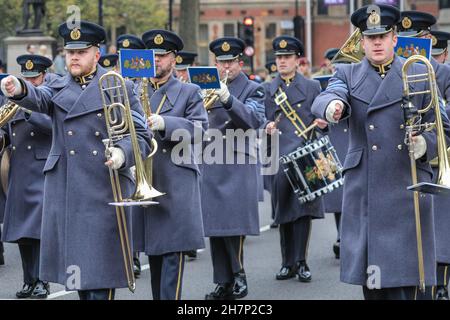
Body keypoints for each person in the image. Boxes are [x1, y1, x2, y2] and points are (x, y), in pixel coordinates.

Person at [0, 20, 152, 300]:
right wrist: (19, 88)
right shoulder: (57, 86)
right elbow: (39, 97)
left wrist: (122, 152)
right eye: (69, 52)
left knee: (100, 277)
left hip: (105, 189)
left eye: (81, 52)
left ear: (97, 53)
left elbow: (141, 136)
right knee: (80, 279)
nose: (74, 57)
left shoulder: (119, 86)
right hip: (68, 190)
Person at [312, 4, 443, 300]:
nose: (377, 42)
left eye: (383, 36)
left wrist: (426, 144)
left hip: (407, 186)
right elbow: (328, 95)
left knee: (406, 285)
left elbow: (443, 128)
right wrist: (332, 108)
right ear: (362, 42)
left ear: (394, 38)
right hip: (367, 187)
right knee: (373, 285)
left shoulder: (420, 71)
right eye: (371, 38)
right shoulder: (346, 72)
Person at [140, 29, 208, 300]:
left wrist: (166, 123)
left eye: (162, 55)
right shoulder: (135, 89)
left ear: (174, 59)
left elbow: (201, 130)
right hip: (146, 178)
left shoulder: (189, 91)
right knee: (154, 252)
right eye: (152, 56)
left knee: (172, 253)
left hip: (176, 180)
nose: (156, 60)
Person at [202, 37, 265, 300]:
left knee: (234, 225)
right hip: (211, 160)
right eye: (221, 62)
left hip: (238, 162)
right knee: (216, 228)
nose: (225, 67)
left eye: (230, 62)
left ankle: (239, 275)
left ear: (240, 62)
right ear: (214, 63)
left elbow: (254, 120)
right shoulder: (205, 85)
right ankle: (222, 281)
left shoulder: (253, 88)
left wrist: (229, 100)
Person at [264, 35, 326, 283]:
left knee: (302, 213)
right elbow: (263, 118)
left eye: (286, 57)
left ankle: (301, 261)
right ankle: (286, 262)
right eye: (278, 58)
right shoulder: (269, 88)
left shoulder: (312, 87)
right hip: (280, 156)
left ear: (297, 59)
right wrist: (265, 126)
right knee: (283, 211)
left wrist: (322, 125)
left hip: (305, 154)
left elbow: (321, 123)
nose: (281, 61)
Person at [398, 11, 450, 300]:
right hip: (403, 161)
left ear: (428, 39)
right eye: (405, 42)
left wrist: (436, 113)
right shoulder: (395, 72)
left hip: (438, 157)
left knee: (439, 227)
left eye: (416, 41)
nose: (410, 49)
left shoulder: (443, 73)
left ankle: (438, 283)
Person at [0, 54, 57, 299]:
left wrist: (27, 108)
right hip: (19, 168)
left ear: (44, 75)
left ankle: (43, 281)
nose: (31, 81)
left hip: (42, 168)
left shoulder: (52, 93)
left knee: (39, 230)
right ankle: (28, 281)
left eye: (35, 77)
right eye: (27, 77)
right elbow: (6, 132)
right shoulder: (9, 96)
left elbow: (54, 126)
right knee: (23, 231)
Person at [115, 33, 147, 279]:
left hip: (150, 148)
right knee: (129, 207)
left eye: (130, 57)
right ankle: (131, 256)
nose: (124, 61)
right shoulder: (114, 83)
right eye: (120, 56)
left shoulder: (145, 82)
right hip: (124, 150)